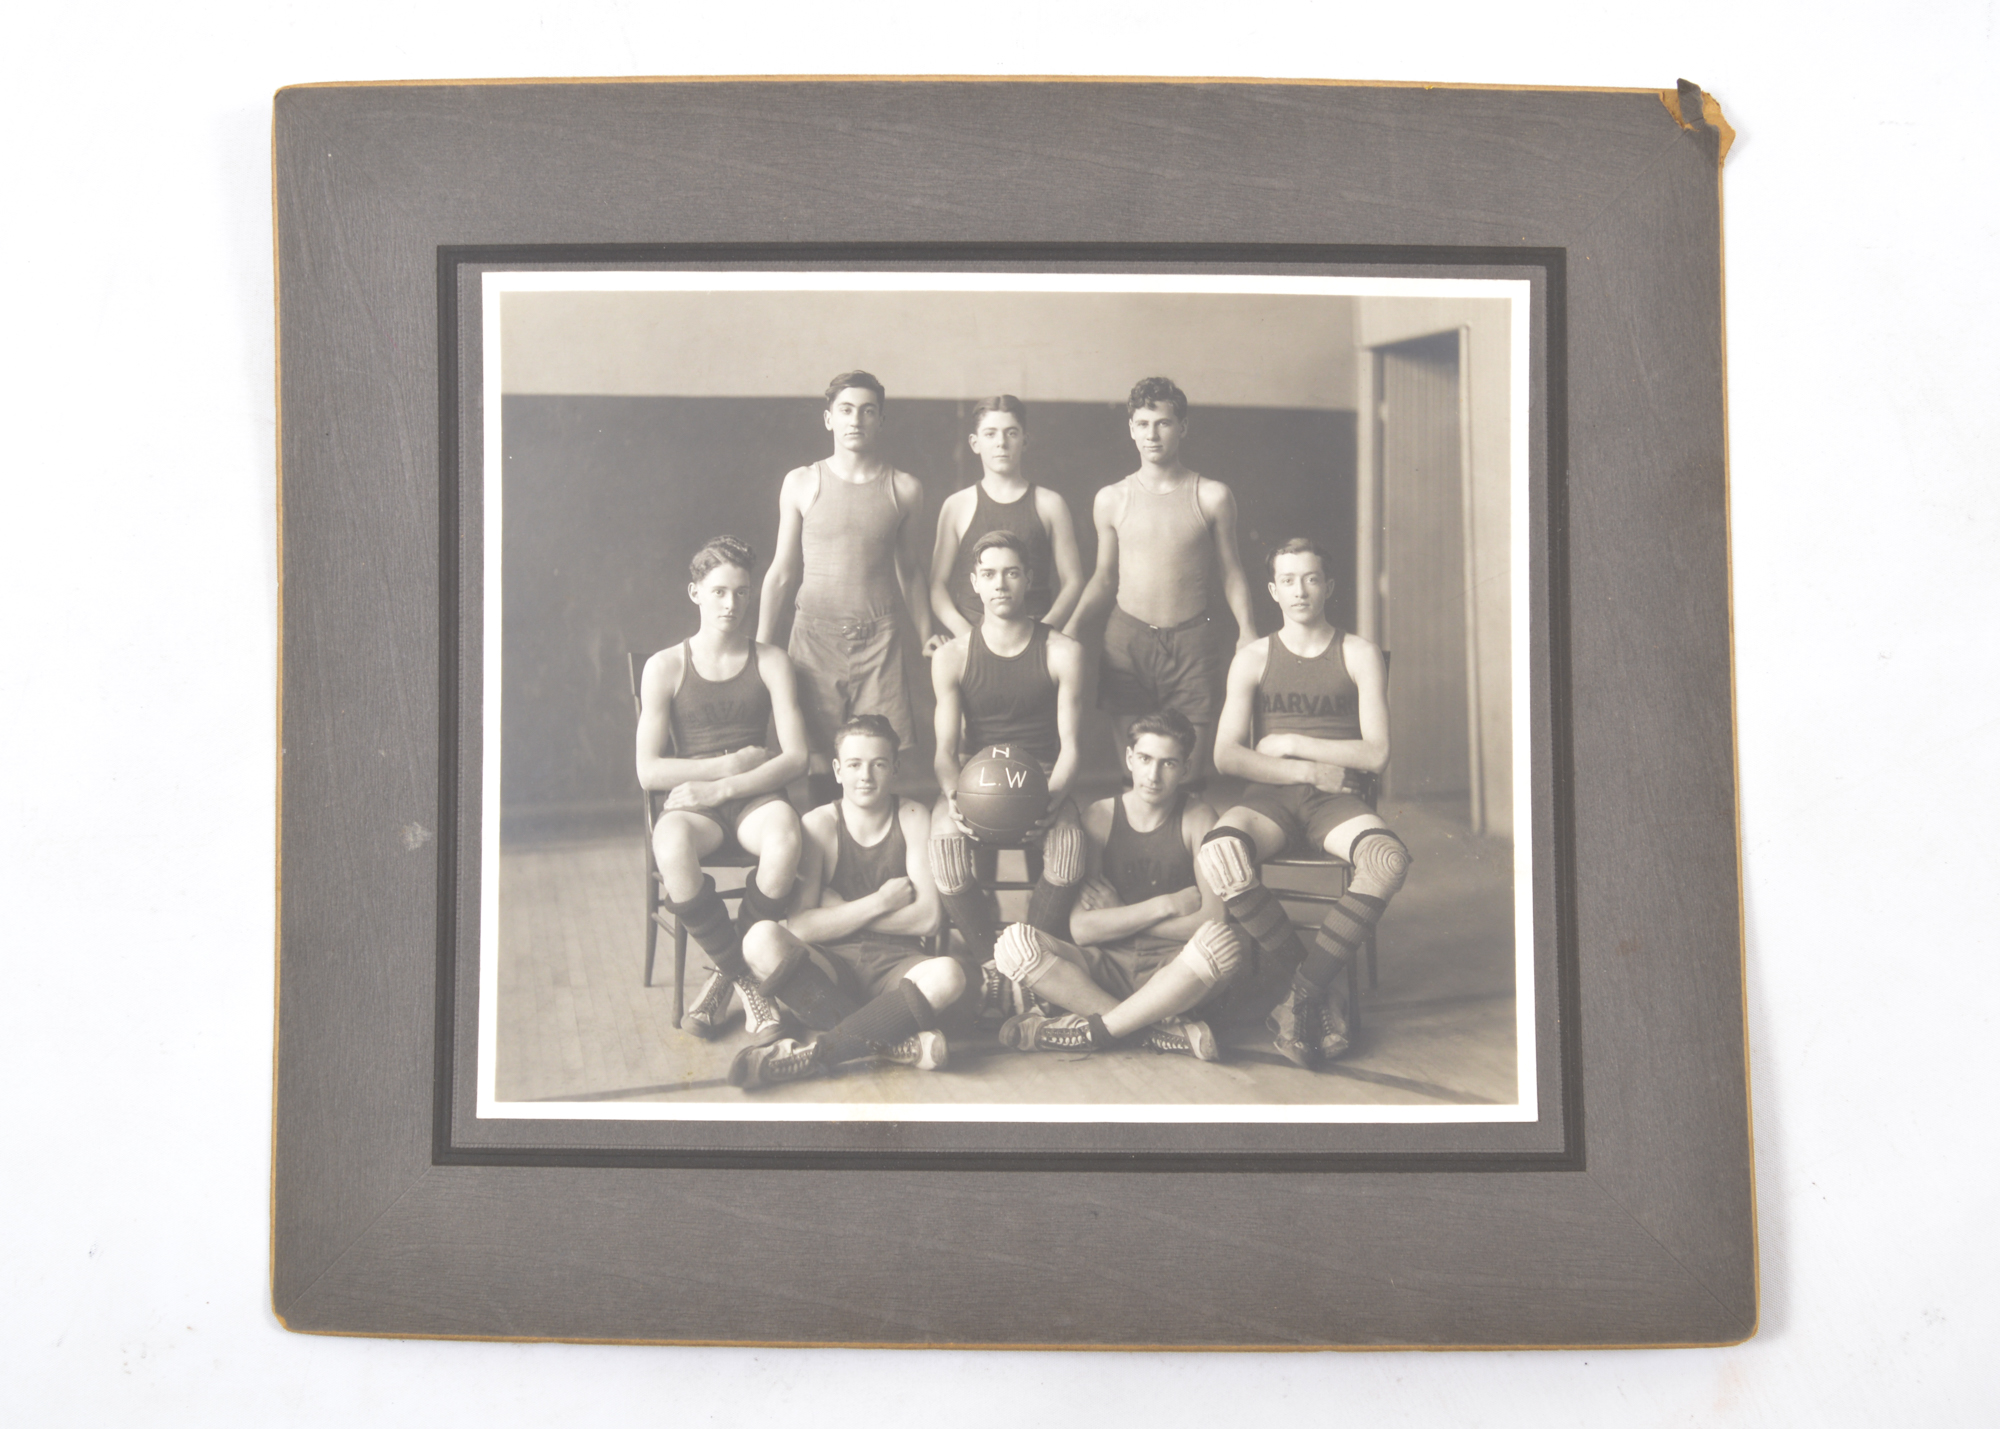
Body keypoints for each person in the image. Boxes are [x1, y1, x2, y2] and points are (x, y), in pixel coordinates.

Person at [1196, 537, 1412, 1068]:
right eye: (1288, 580)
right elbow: (1226, 755)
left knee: (1387, 860)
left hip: (1336, 801)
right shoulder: (1253, 657)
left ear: (1328, 586)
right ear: (1272, 590)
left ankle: (1301, 996)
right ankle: (1315, 985)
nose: (1300, 590)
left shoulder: (1358, 653)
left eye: (1311, 578)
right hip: (1270, 797)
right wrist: (1303, 769)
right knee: (1218, 854)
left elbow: (1378, 753)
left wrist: (1295, 743)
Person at [988, 710, 1252, 1061]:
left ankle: (1092, 1031)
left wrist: (1118, 915)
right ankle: (1153, 1031)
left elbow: (1212, 921)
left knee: (1223, 943)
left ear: (1185, 769)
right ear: (1129, 759)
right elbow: (1082, 930)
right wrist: (1166, 904)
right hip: (1105, 968)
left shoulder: (1198, 817)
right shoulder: (1101, 816)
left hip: (1172, 972)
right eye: (1144, 759)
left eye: (1168, 764)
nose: (1153, 775)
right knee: (1013, 944)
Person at [634, 536, 811, 1041]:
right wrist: (727, 765)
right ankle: (742, 979)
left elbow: (796, 756)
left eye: (741, 593)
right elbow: (649, 771)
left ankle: (721, 979)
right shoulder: (666, 666)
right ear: (694, 593)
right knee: (669, 843)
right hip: (698, 805)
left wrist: (728, 784)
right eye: (718, 592)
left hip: (754, 796)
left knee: (786, 838)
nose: (731, 604)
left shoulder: (772, 661)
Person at [727, 716, 966, 1089]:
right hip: (832, 967)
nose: (865, 776)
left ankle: (819, 1052)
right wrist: (879, 902)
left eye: (879, 764)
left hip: (897, 966)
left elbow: (928, 919)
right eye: (854, 765)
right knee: (759, 938)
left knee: (949, 974)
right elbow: (803, 926)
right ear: (837, 771)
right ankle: (890, 1039)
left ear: (895, 769)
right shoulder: (819, 824)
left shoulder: (914, 817)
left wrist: (839, 911)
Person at [1064, 376, 1257, 781]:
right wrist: (1072, 628)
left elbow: (1232, 570)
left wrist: (1247, 630)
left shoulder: (1212, 495)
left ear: (1182, 427)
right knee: (1139, 778)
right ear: (1131, 428)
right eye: (1143, 423)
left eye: (1163, 423)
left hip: (1193, 642)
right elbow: (1103, 577)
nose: (1152, 434)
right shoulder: (1111, 498)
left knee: (1186, 779)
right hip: (1127, 644)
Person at [757, 371, 936, 804]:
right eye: (846, 410)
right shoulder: (801, 482)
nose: (856, 420)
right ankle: (827, 863)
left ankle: (872, 862)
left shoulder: (905, 488)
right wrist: (760, 647)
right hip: (814, 639)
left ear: (881, 421)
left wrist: (927, 633)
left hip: (879, 638)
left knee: (873, 755)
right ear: (828, 419)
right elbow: (782, 570)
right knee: (819, 760)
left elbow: (910, 571)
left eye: (867, 410)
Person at [928, 531, 1088, 972]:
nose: (1000, 584)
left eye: (1011, 573)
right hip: (975, 779)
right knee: (943, 844)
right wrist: (954, 798)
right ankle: (991, 965)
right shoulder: (952, 656)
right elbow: (944, 752)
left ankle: (1029, 958)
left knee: (1070, 844)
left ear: (1029, 580)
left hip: (1043, 775)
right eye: (989, 574)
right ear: (974, 584)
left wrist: (1051, 801)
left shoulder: (1064, 652)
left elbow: (1073, 748)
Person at [927, 395, 1084, 638]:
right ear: (974, 442)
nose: (1001, 443)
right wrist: (968, 637)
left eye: (1011, 433)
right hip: (973, 635)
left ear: (1025, 441)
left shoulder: (1051, 504)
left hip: (1035, 636)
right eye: (990, 434)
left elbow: (1073, 581)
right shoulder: (956, 506)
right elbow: (937, 586)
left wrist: (1042, 633)